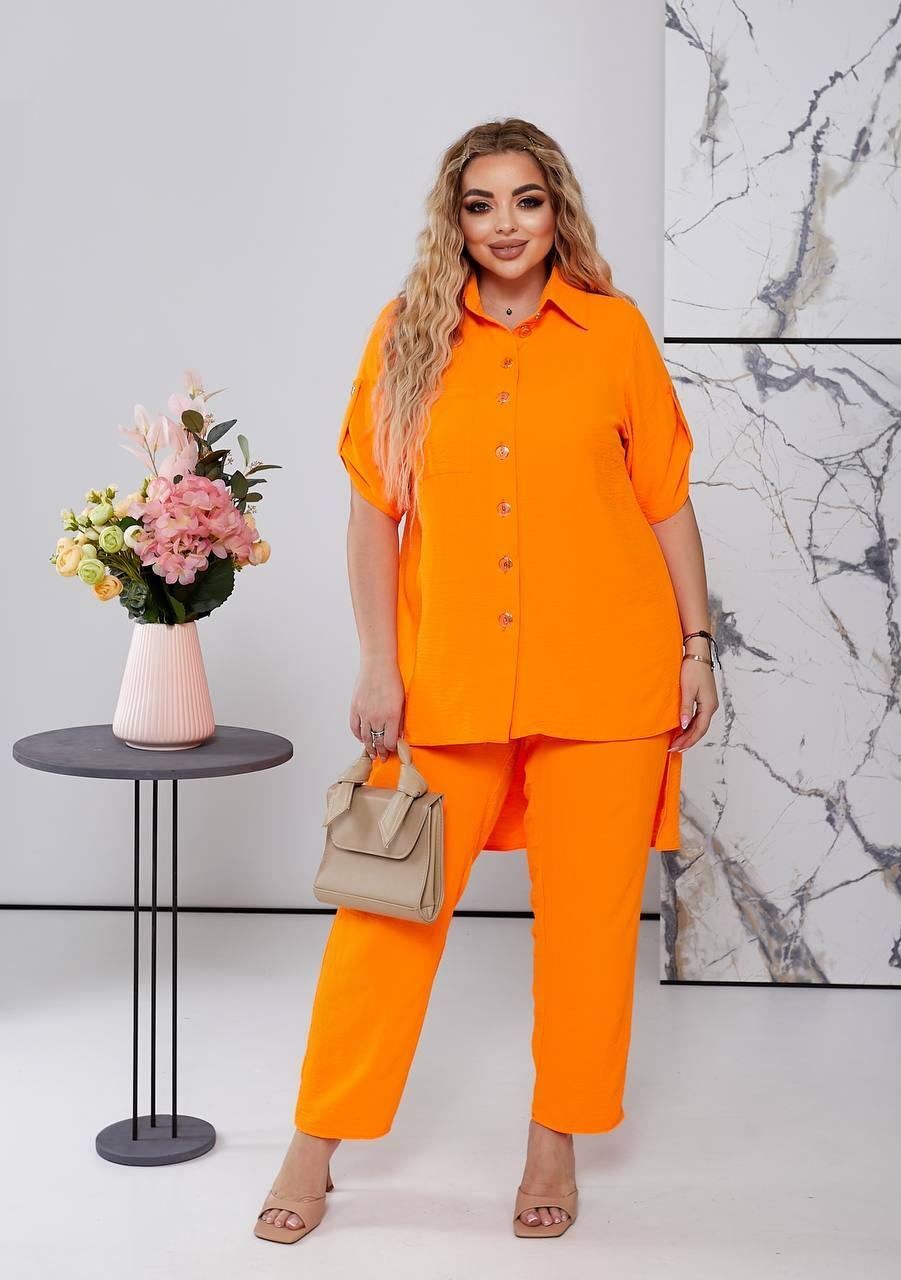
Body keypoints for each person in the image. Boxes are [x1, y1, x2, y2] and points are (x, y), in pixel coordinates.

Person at [254, 117, 719, 1244]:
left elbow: (666, 501)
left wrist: (697, 645)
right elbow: (373, 515)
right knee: (385, 912)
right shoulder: (407, 334)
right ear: (454, 220)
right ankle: (314, 1142)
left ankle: (554, 1140)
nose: (505, 225)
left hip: (607, 678)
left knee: (589, 929)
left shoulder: (613, 333)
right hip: (449, 681)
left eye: (526, 200)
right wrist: (380, 663)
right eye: (480, 204)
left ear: (558, 209)